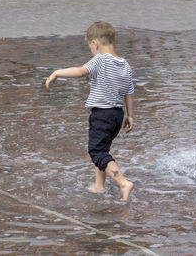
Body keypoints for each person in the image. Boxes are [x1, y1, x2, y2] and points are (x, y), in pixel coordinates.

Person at [45, 21, 134, 201]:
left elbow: (80, 71)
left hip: (102, 114)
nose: (91, 52)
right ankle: (99, 186)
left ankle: (123, 183)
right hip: (117, 114)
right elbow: (129, 92)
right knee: (103, 149)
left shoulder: (100, 59)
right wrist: (131, 115)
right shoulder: (124, 64)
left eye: (90, 48)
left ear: (95, 44)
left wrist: (56, 73)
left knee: (97, 152)